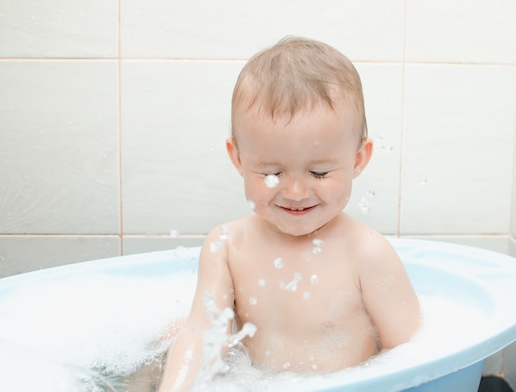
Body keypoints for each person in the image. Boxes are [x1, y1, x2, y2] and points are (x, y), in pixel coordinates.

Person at [158, 36, 420, 391]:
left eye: (320, 173)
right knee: (163, 344)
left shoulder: (366, 253)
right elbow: (202, 335)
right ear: (238, 158)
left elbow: (414, 354)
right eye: (272, 173)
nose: (296, 193)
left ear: (358, 159)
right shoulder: (227, 247)